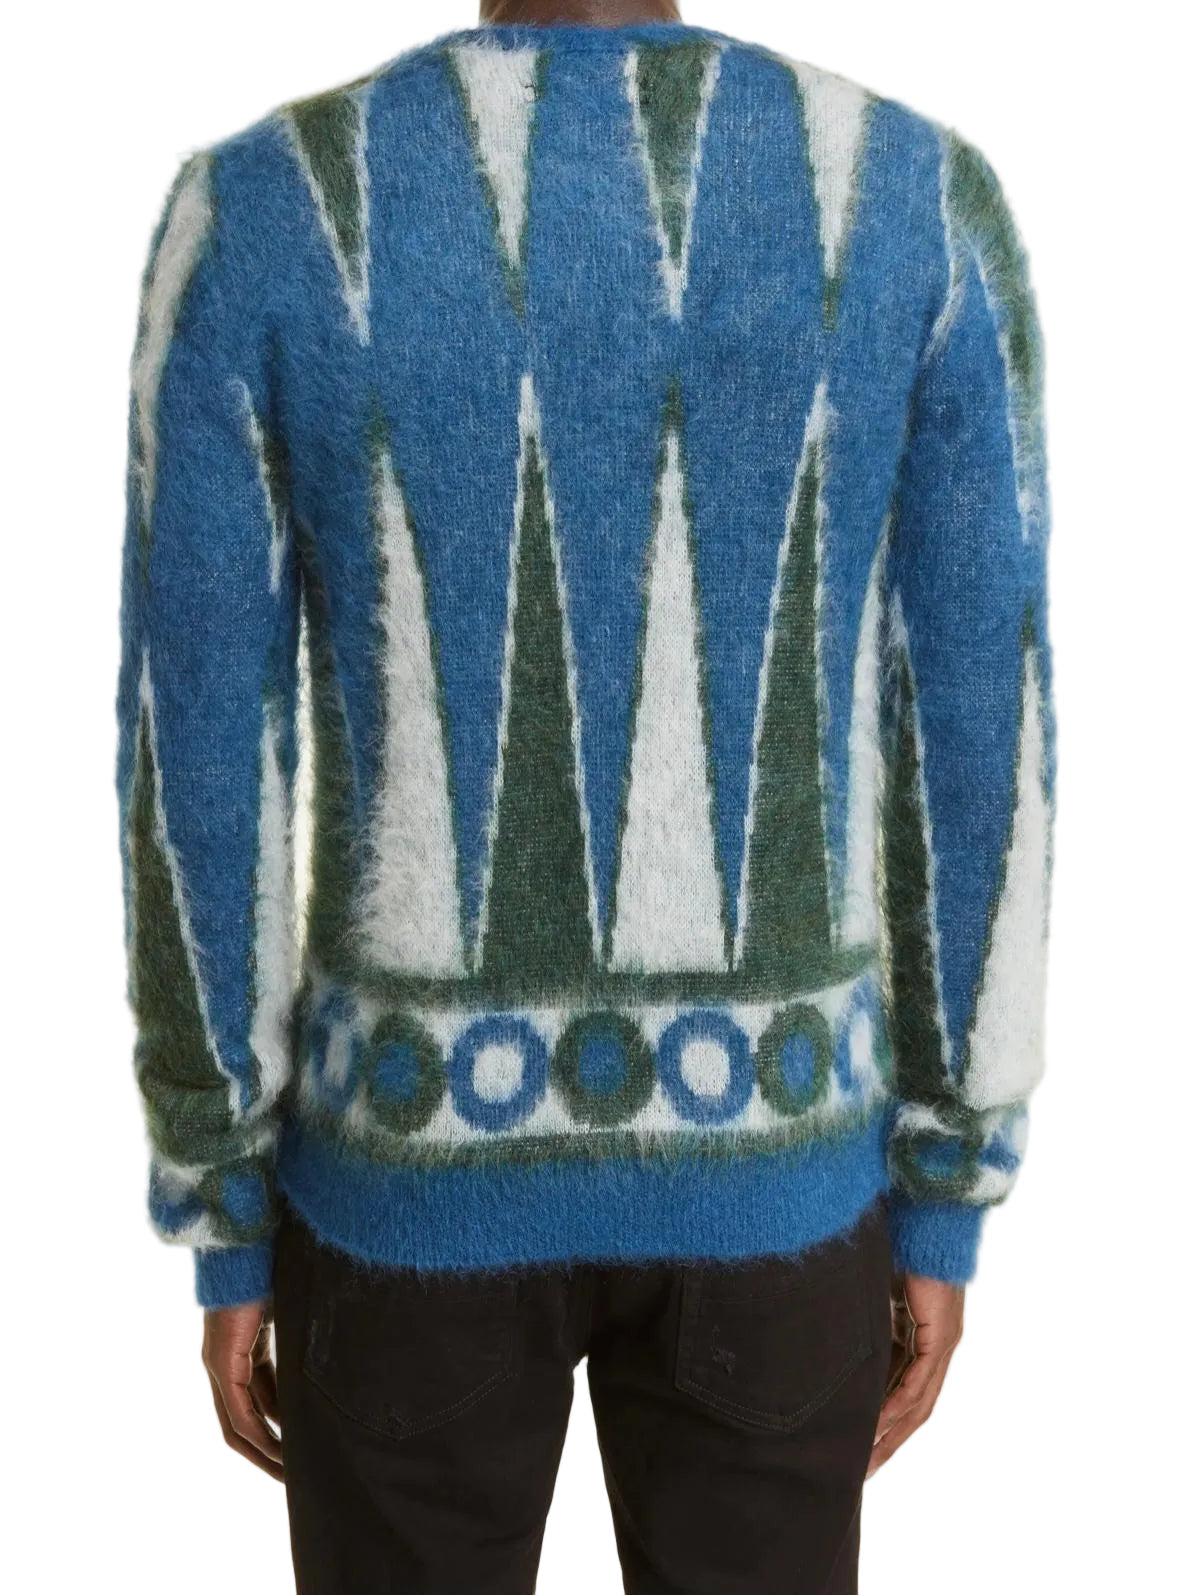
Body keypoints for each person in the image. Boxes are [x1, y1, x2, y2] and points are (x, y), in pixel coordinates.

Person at [115, 0, 1055, 1588]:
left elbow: (195, 741)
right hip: (782, 1189)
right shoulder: (915, 203)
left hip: (400, 1188)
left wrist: (221, 1189)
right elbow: (982, 729)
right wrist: (951, 1171)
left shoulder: (268, 209)